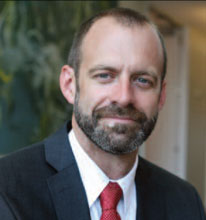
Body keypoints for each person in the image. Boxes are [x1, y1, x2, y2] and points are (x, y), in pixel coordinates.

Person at [0, 7, 205, 220]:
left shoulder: (185, 202)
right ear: (70, 85)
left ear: (161, 95)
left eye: (142, 80)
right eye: (105, 75)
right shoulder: (6, 188)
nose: (124, 96)